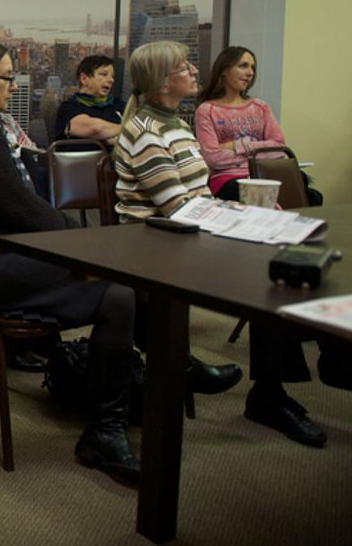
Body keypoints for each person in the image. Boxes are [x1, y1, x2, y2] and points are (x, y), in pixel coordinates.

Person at [0, 38, 142, 480]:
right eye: (6, 77)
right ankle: (106, 427)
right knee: (119, 292)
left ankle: (163, 378)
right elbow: (18, 207)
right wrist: (85, 245)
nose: (12, 85)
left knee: (128, 284)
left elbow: (18, 206)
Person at [114, 40, 340, 447]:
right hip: (160, 244)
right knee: (268, 266)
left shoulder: (174, 124)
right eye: (185, 67)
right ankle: (278, 390)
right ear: (165, 82)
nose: (195, 72)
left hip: (186, 230)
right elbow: (177, 207)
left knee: (289, 250)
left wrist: (243, 216)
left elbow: (198, 198)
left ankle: (321, 359)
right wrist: (237, 219)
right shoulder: (147, 132)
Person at [194, 46, 314, 202]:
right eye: (243, 66)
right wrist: (260, 149)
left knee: (310, 191)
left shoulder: (260, 107)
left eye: (252, 67)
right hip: (228, 178)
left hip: (264, 172)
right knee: (247, 192)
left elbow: (278, 147)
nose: (250, 72)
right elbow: (213, 158)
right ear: (224, 69)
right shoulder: (207, 110)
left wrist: (236, 146)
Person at [53, 54, 125, 146]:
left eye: (112, 76)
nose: (111, 80)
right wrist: (126, 131)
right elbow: (96, 129)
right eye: (104, 74)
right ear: (84, 79)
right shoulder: (69, 107)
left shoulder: (120, 106)